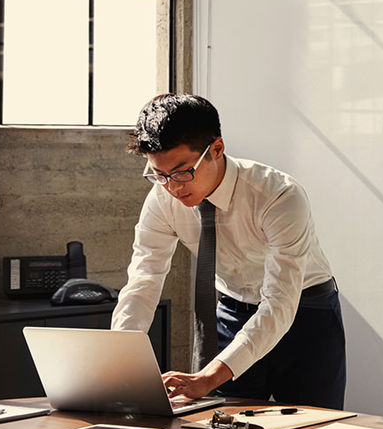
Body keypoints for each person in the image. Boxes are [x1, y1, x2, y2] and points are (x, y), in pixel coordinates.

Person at [111, 93, 346, 409]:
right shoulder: (162, 198)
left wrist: (209, 377)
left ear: (216, 150)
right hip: (234, 311)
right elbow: (143, 282)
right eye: (160, 174)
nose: (173, 187)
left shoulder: (279, 196)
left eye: (182, 172)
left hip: (304, 313)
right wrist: (118, 362)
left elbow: (279, 303)